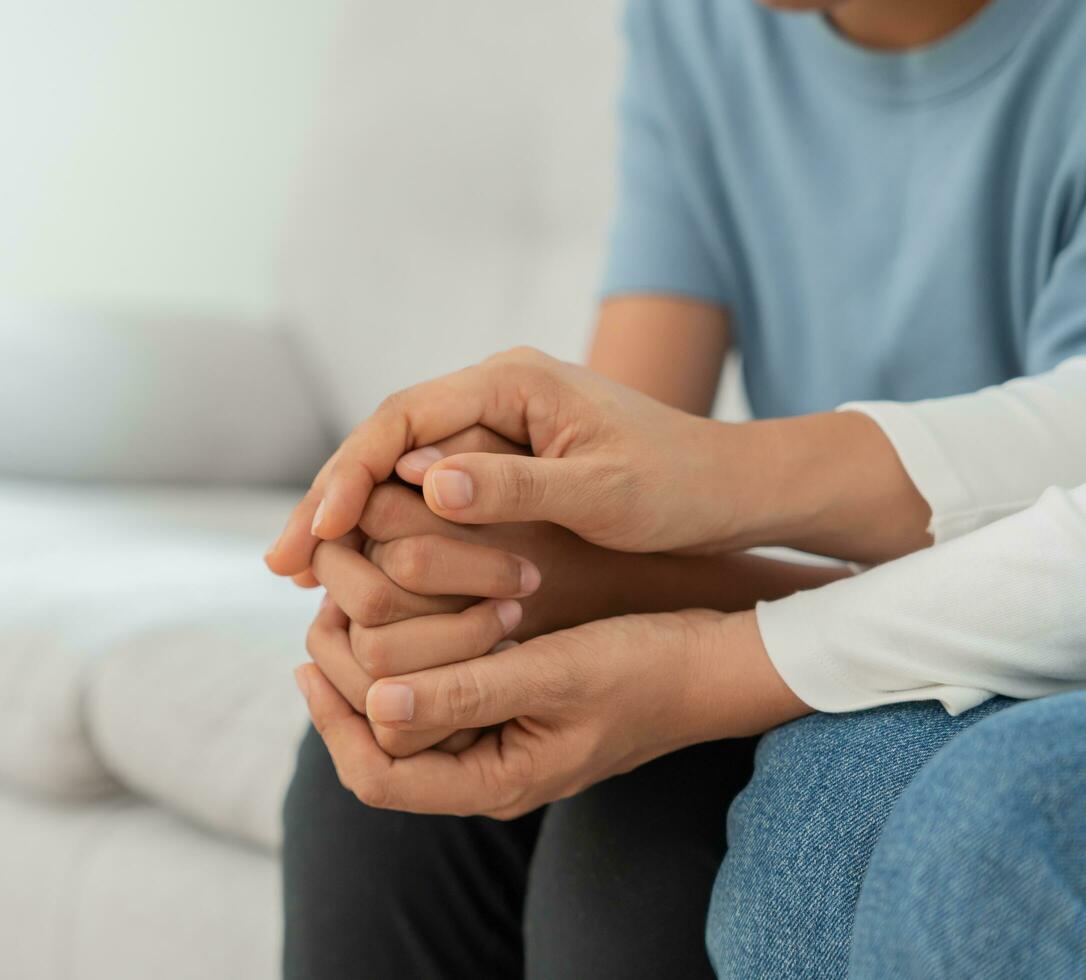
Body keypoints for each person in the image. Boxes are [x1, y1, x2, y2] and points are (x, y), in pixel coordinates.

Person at [265, 0, 1086, 976]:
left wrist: (658, 551)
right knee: (382, 784)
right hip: (814, 605)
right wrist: (467, 544)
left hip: (1011, 648)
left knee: (629, 848)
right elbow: (617, 490)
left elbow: (1051, 553)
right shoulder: (701, 23)